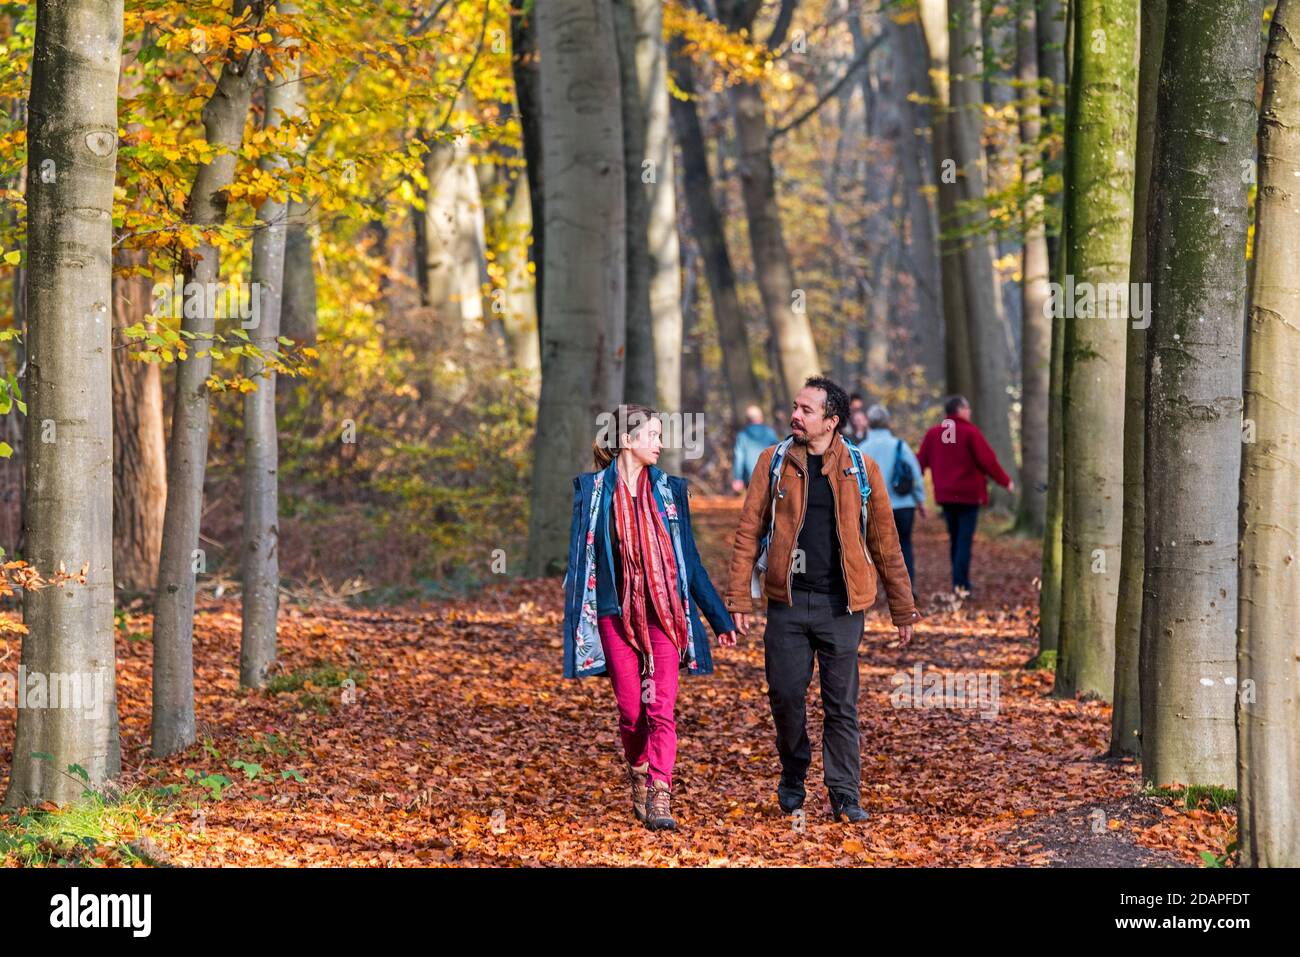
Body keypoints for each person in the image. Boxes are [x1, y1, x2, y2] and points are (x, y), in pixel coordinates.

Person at [724, 377, 920, 823]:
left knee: (841, 706)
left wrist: (903, 607)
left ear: (832, 421)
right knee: (786, 697)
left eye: (806, 410)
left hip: (842, 606)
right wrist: (738, 600)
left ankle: (845, 795)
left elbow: (885, 542)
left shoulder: (861, 468)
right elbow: (748, 534)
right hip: (788, 603)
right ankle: (794, 772)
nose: (795, 415)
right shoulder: (772, 463)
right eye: (795, 406)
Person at [562, 404, 738, 831]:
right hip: (613, 611)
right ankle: (638, 769)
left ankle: (661, 791)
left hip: (665, 611)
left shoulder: (670, 490)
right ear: (626, 440)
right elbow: (580, 558)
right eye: (653, 435)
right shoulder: (592, 491)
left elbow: (689, 561)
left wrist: (719, 618)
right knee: (631, 712)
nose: (660, 443)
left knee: (661, 708)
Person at [916, 395, 1015, 596]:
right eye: (967, 408)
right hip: (968, 496)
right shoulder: (970, 433)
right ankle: (961, 585)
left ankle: (958, 581)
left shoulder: (933, 434)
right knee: (964, 540)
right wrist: (1005, 481)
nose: (969, 412)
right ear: (960, 410)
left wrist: (913, 490)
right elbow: (988, 461)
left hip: (945, 496)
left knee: (955, 538)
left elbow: (919, 462)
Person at [858, 404, 925, 598]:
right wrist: (920, 500)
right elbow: (916, 474)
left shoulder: (862, 449)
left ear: (869, 422)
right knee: (904, 546)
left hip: (875, 507)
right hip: (903, 505)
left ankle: (884, 589)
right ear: (888, 422)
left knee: (878, 549)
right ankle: (907, 587)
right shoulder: (900, 446)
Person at [732, 405, 780, 493]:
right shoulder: (770, 433)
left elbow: (739, 458)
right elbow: (779, 453)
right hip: (770, 476)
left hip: (750, 478)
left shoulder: (742, 436)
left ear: (746, 420)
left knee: (754, 504)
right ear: (761, 418)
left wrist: (737, 478)